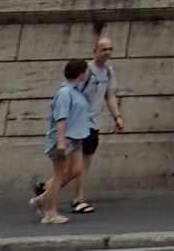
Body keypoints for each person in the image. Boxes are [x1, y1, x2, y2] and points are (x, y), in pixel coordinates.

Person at [67, 35, 126, 213]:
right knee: (80, 164)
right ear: (95, 51)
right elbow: (72, 92)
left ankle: (46, 188)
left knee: (80, 164)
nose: (107, 53)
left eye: (110, 49)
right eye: (103, 49)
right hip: (80, 122)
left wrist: (118, 117)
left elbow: (110, 96)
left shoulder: (108, 72)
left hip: (94, 123)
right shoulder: (86, 71)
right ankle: (78, 199)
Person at [28, 60, 91, 225]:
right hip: (63, 138)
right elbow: (61, 118)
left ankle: (42, 198)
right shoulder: (65, 93)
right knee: (59, 175)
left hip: (76, 138)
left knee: (76, 169)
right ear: (81, 73)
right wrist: (61, 141)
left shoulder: (76, 91)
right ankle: (50, 212)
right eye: (85, 71)